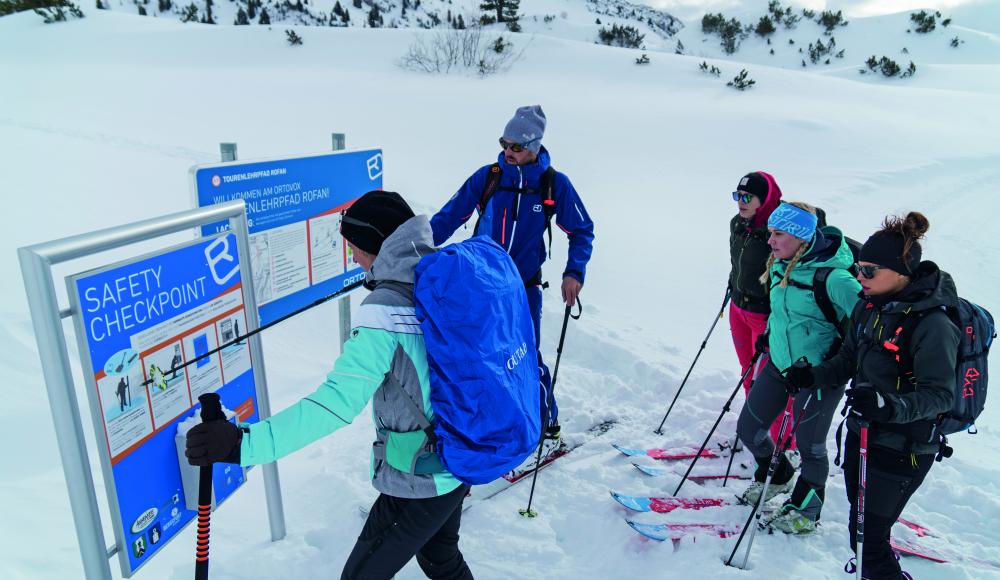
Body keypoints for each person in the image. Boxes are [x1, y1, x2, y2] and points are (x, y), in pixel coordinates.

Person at [186, 191, 475, 580]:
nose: (352, 258)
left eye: (354, 248)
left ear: (377, 245)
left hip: (423, 475)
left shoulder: (384, 311)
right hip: (463, 451)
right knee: (440, 557)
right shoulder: (438, 276)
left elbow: (336, 403)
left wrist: (244, 444)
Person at [788, 212, 959, 578]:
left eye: (869, 270)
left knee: (868, 538)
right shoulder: (869, 307)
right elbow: (850, 358)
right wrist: (813, 376)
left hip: (904, 447)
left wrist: (889, 406)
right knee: (861, 522)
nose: (859, 277)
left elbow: (941, 395)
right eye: (859, 268)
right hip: (862, 433)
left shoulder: (933, 324)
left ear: (901, 273)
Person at [430, 105, 595, 440]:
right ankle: (495, 423)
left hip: (524, 286)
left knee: (524, 354)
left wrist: (573, 273)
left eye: (516, 146)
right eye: (505, 143)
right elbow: (448, 217)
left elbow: (582, 230)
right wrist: (420, 252)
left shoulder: (552, 184)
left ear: (533, 147)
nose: (508, 151)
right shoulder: (489, 177)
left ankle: (545, 425)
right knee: (480, 355)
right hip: (480, 286)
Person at [734, 201, 861, 534]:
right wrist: (769, 336)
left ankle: (807, 512)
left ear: (802, 237)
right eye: (770, 233)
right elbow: (784, 312)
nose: (771, 241)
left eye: (779, 234)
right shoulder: (780, 264)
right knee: (748, 428)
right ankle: (779, 476)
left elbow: (868, 328)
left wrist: (833, 363)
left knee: (810, 446)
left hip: (819, 375)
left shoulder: (835, 279)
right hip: (779, 364)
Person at [727, 171, 793, 449]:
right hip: (738, 307)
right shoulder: (738, 223)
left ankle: (783, 444)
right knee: (747, 371)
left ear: (763, 199)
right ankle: (753, 429)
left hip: (765, 316)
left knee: (769, 381)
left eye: (747, 197)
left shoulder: (778, 230)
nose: (740, 202)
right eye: (737, 196)